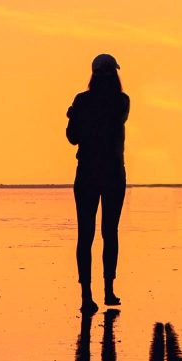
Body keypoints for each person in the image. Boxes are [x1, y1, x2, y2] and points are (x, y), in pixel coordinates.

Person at [66, 53, 130, 314]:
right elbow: (115, 121)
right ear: (113, 74)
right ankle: (108, 290)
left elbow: (72, 138)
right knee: (109, 232)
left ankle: (86, 296)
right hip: (113, 172)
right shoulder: (121, 101)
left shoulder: (82, 102)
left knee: (86, 234)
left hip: (88, 172)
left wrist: (74, 115)